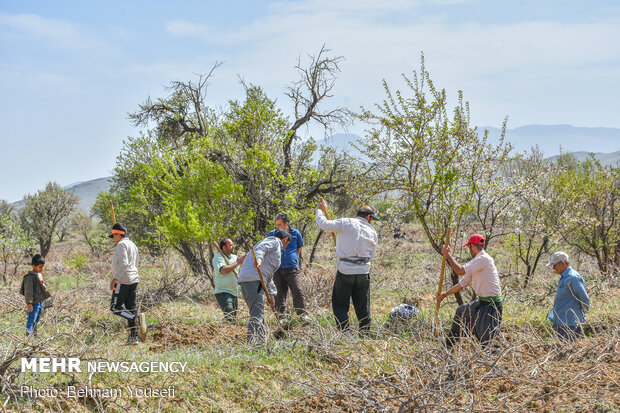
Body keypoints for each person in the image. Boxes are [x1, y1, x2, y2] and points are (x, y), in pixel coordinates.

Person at [315, 200, 379, 332]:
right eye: (371, 218)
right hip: (363, 272)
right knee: (363, 305)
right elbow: (372, 255)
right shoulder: (372, 231)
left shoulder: (345, 222)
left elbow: (323, 224)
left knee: (340, 304)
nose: (371, 221)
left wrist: (320, 210)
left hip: (345, 271)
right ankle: (365, 332)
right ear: (368, 217)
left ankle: (345, 332)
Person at [436, 234, 503, 349]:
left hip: (491, 306)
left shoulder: (483, 259)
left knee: (489, 341)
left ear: (472, 246)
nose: (469, 250)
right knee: (461, 311)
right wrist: (444, 295)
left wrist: (447, 255)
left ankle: (496, 360)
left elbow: (459, 271)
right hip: (482, 302)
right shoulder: (477, 262)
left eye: (469, 247)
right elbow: (462, 283)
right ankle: (449, 345)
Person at [237, 229, 291, 343]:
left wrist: (271, 295)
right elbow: (262, 249)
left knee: (258, 312)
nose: (285, 247)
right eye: (287, 244)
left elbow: (269, 275)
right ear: (285, 239)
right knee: (257, 313)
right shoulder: (275, 241)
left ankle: (260, 341)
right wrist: (259, 259)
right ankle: (253, 343)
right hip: (253, 280)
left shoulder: (274, 250)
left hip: (249, 279)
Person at [109, 223, 146, 344]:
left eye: (113, 236)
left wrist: (115, 278)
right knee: (131, 307)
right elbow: (135, 264)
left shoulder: (121, 244)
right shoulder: (133, 245)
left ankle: (135, 318)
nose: (113, 239)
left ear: (117, 235)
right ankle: (133, 338)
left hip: (122, 280)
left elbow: (124, 263)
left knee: (115, 308)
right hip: (134, 279)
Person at [268, 212, 307, 317]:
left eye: (279, 225)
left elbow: (299, 247)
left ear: (286, 224)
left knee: (297, 290)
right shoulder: (272, 234)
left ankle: (302, 316)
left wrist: (292, 257)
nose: (277, 227)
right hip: (277, 269)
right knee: (279, 294)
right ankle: (282, 317)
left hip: (292, 269)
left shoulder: (296, 233)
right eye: (276, 224)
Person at [546, 252, 590, 342]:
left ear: (562, 263)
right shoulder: (564, 277)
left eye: (554, 265)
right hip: (561, 322)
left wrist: (582, 315)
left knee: (568, 351)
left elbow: (584, 298)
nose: (553, 268)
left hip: (570, 324)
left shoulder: (573, 278)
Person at [213, 238, 247, 321]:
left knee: (233, 318)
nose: (233, 247)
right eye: (230, 245)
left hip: (234, 292)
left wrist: (242, 261)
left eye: (233, 245)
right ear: (224, 248)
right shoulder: (218, 257)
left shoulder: (234, 258)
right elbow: (224, 271)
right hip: (223, 292)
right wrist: (238, 262)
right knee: (229, 316)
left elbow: (241, 270)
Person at [20, 254, 50, 338]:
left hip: (40, 303)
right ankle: (28, 338)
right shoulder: (29, 277)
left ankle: (35, 337)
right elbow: (28, 292)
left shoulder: (38, 276)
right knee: (31, 321)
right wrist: (29, 304)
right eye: (40, 267)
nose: (41, 269)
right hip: (34, 304)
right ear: (34, 266)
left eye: (42, 267)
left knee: (36, 322)